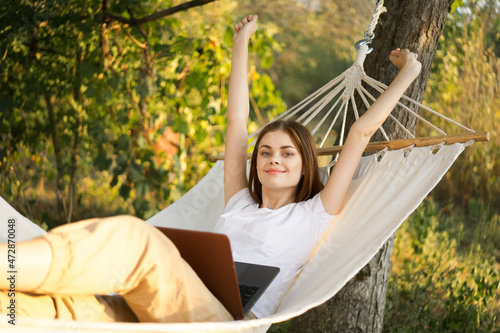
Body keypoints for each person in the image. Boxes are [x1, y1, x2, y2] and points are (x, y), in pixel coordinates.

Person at [0, 15, 421, 323]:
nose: (274, 158)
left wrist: (411, 73)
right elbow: (237, 126)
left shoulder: (314, 214)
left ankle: (9, 262)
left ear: (305, 165)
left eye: (288, 153)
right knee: (56, 309)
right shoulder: (239, 202)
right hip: (170, 302)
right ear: (255, 164)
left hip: (220, 323)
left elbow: (361, 134)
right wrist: (241, 42)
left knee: (137, 239)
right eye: (266, 151)